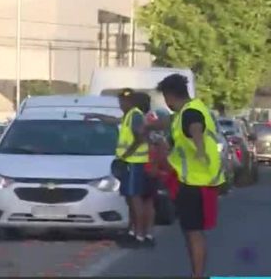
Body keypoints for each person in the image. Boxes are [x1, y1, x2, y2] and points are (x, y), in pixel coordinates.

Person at [144, 74, 223, 278]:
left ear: (170, 95)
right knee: (190, 232)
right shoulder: (184, 113)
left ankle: (197, 275)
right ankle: (195, 273)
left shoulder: (191, 112)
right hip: (190, 181)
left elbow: (195, 127)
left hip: (196, 183)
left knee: (194, 233)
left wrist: (199, 147)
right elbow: (171, 136)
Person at [83, 88, 149, 247]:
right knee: (129, 198)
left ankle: (140, 236)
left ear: (131, 102)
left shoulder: (135, 115)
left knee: (135, 198)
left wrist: (126, 155)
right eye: (120, 102)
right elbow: (113, 121)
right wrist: (95, 116)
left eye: (123, 102)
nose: (121, 105)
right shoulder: (128, 116)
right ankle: (133, 232)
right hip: (129, 162)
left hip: (134, 162)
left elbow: (140, 137)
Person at [133, 91, 158, 247]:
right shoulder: (154, 117)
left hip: (143, 161)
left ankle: (139, 235)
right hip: (155, 163)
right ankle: (148, 233)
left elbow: (140, 136)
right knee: (149, 201)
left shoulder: (142, 119)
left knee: (138, 199)